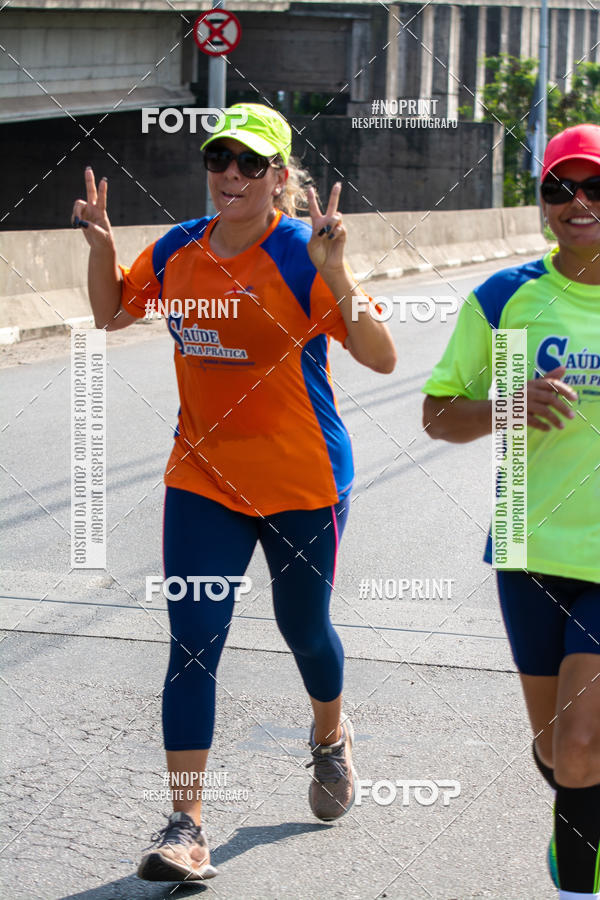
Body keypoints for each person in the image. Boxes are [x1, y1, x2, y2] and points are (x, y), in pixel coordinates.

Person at [71, 102, 396, 883]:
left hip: (301, 482)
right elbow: (110, 314)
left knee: (304, 629)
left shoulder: (300, 254)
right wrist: (103, 250)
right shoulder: (179, 248)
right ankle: (186, 826)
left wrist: (338, 271)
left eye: (251, 163)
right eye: (220, 158)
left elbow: (381, 355)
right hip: (204, 480)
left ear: (279, 177)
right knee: (193, 642)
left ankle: (330, 736)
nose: (231, 174)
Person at [422, 123, 600, 899]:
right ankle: (582, 818)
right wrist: (506, 405)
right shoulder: (506, 298)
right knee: (558, 755)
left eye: (596, 187)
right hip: (529, 550)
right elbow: (438, 413)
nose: (578, 202)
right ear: (542, 202)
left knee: (582, 743)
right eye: (560, 188)